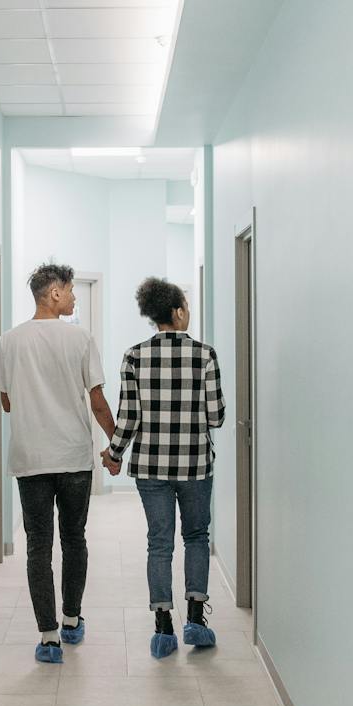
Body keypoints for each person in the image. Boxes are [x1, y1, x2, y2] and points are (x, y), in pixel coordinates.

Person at [0, 262, 120, 664]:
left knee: (38, 547)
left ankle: (48, 638)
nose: (75, 296)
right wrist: (115, 446)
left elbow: (5, 401)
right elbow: (97, 402)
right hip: (74, 458)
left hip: (31, 459)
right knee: (74, 539)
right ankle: (71, 620)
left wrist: (32, 399)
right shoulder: (80, 339)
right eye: (70, 289)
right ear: (54, 293)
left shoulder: (8, 341)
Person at [103, 278, 226, 658]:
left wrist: (114, 453)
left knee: (159, 542)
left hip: (151, 467)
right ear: (176, 312)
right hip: (194, 465)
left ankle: (162, 629)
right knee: (196, 537)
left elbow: (128, 417)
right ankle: (195, 621)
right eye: (185, 306)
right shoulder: (205, 355)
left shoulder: (134, 356)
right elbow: (217, 416)